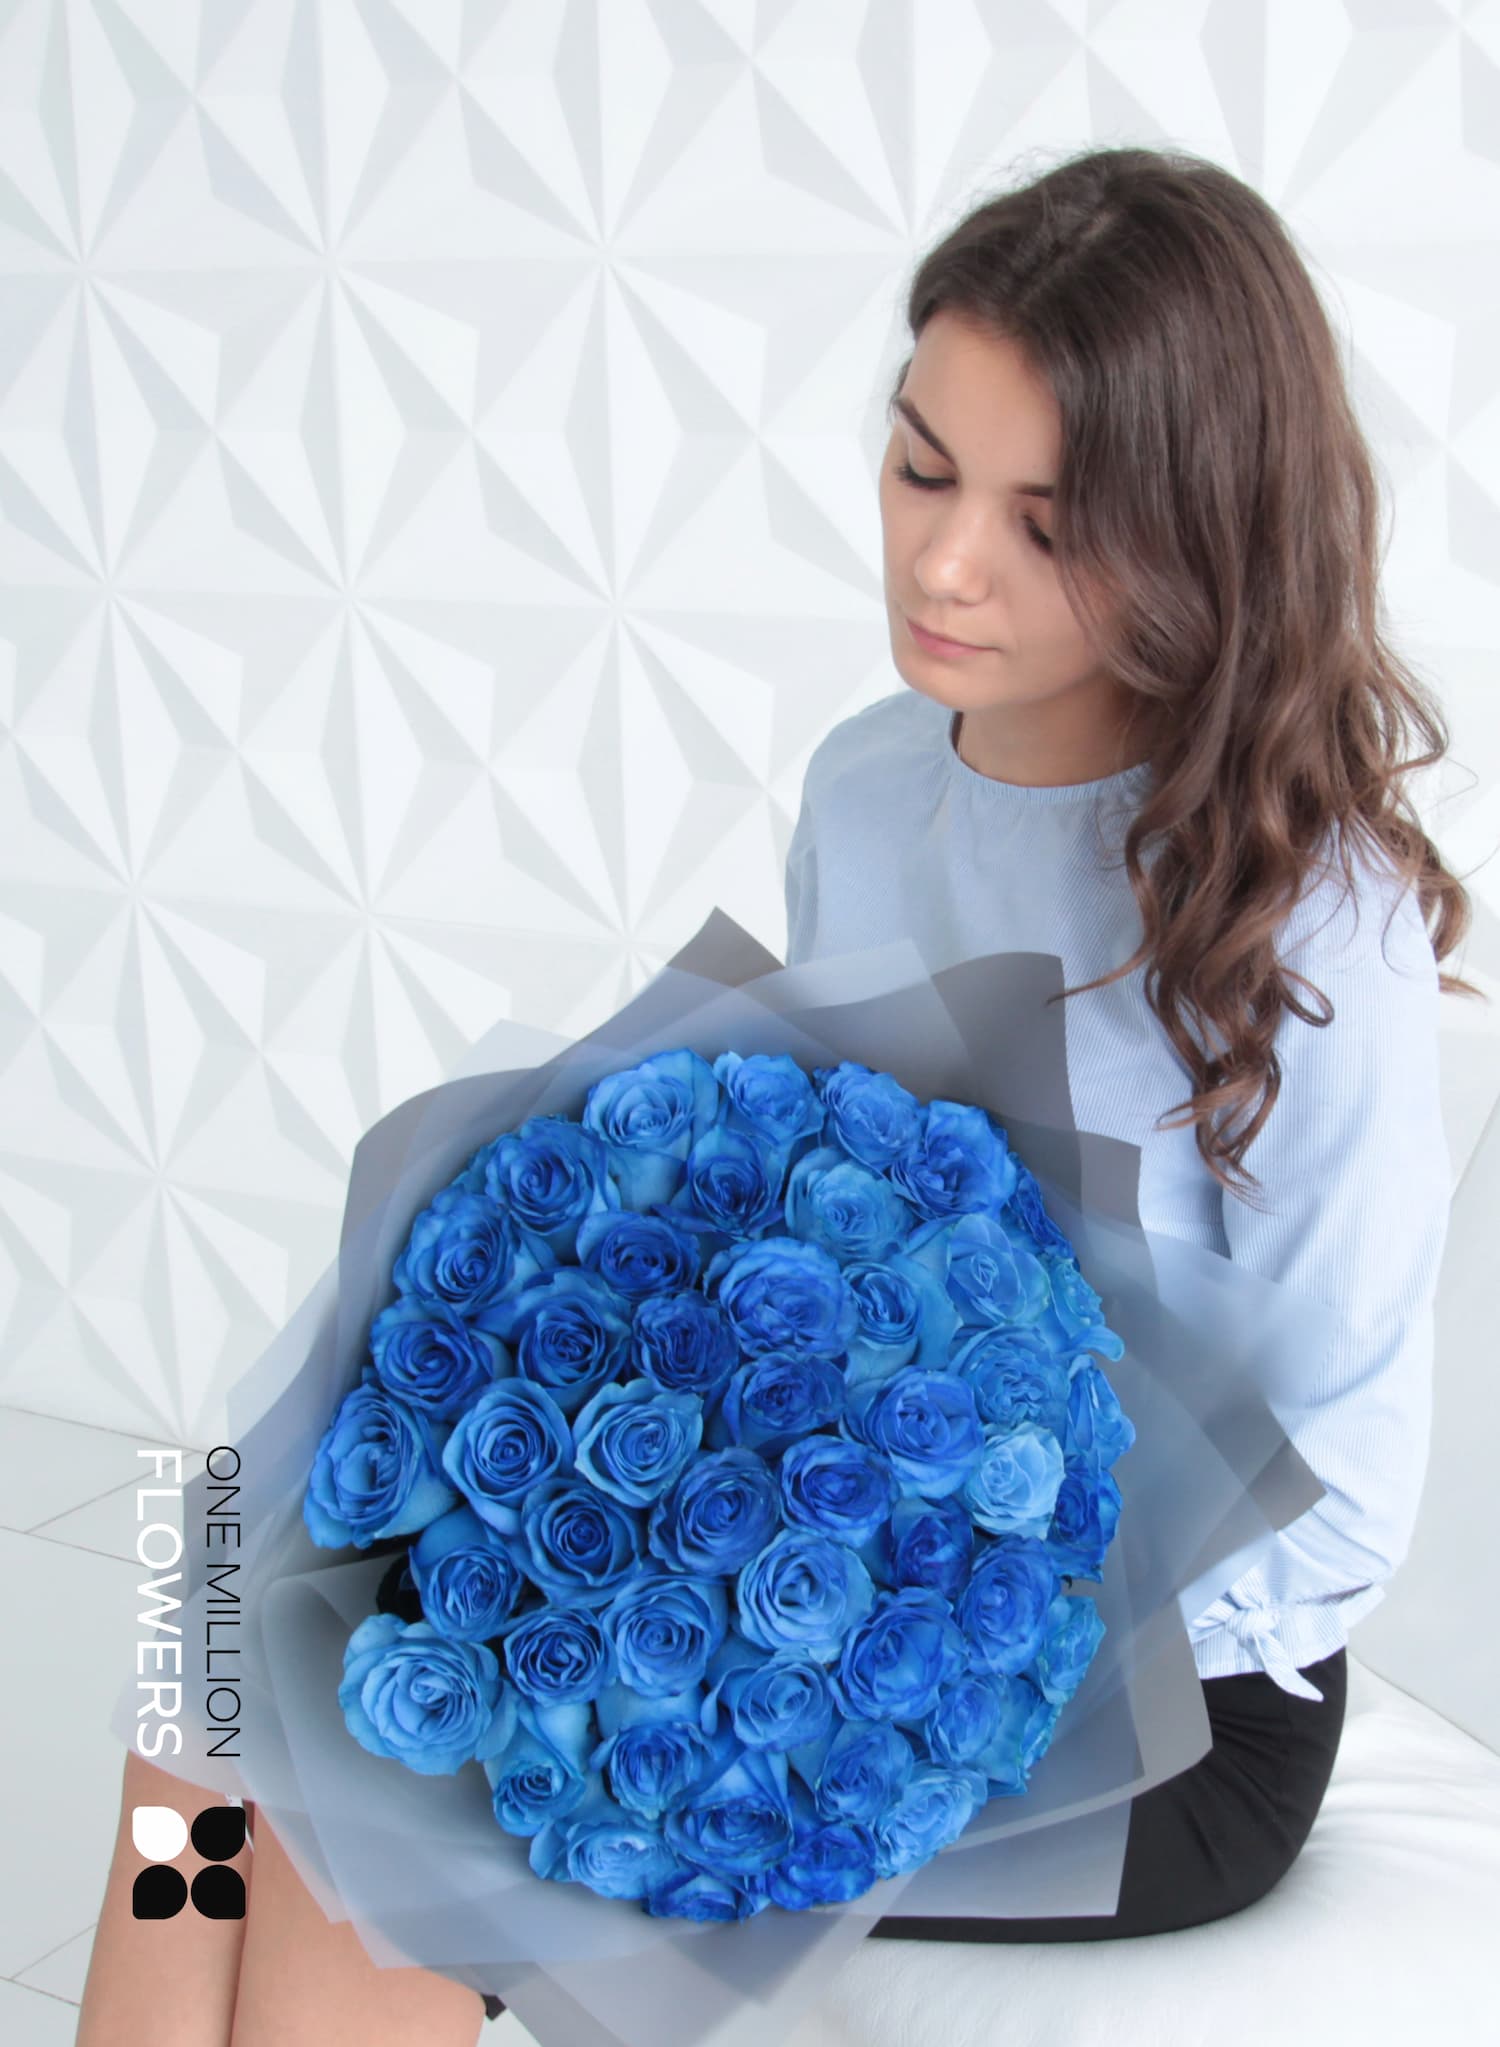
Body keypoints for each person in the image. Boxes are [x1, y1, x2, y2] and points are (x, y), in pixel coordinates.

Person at [76, 142, 1481, 2042]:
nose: (945, 562)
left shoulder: (1325, 926)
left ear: (1200, 534)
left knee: (388, 1826)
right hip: (799, 1551)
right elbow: (800, 1207)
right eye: (921, 467)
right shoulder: (872, 786)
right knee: (215, 1693)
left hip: (1159, 1705)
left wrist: (929, 1644)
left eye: (1047, 522)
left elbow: (1341, 1498)